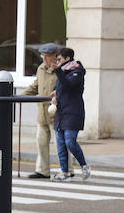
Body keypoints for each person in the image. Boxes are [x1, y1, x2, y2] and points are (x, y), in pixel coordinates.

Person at [50, 47, 91, 181]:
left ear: (67, 59)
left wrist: (56, 70)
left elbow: (68, 85)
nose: (57, 61)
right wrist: (55, 93)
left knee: (70, 141)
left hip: (73, 112)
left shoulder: (77, 71)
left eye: (59, 58)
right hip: (61, 112)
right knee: (60, 143)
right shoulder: (62, 71)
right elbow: (60, 87)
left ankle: (84, 166)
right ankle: (64, 172)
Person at [22, 43, 62, 179]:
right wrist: (20, 97)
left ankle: (66, 169)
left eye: (48, 56)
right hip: (42, 112)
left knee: (60, 144)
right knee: (41, 141)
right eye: (43, 56)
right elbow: (36, 86)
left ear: (56, 56)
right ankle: (42, 170)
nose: (44, 59)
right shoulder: (41, 68)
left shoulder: (61, 69)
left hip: (56, 112)